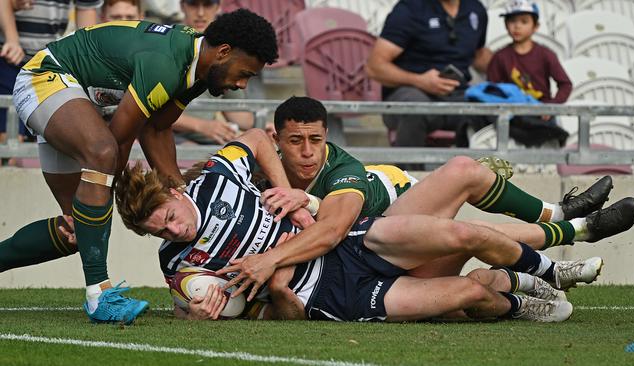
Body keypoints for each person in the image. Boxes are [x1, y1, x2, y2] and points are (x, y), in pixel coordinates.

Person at [114, 128, 606, 323]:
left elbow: (257, 139)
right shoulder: (178, 261)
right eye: (160, 232)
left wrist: (286, 194)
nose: (174, 231)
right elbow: (188, 309)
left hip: (352, 240)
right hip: (332, 295)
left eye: (170, 219)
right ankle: (520, 299)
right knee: (468, 294)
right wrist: (202, 313)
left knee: (466, 234)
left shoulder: (215, 179)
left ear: (176, 193)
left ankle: (552, 263)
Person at [0, 9, 278, 324]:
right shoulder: (166, 64)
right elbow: (117, 142)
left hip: (76, 100)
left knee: (78, 228)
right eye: (244, 73)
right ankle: (99, 296)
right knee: (101, 159)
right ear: (224, 52)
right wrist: (117, 197)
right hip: (47, 78)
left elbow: (156, 128)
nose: (241, 84)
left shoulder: (197, 71)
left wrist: (182, 191)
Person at [245, 96, 634, 287]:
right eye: (296, 141)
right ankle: (579, 227)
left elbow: (333, 229)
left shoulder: (342, 167)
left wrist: (309, 203)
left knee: (464, 172)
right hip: (373, 251)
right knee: (471, 238)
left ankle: (562, 217)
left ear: (327, 136)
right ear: (275, 138)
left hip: (395, 217)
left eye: (316, 139)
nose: (308, 151)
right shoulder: (260, 166)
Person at [365, 0, 492, 154]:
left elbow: (478, 56)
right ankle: (408, 176)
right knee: (415, 107)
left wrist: (516, 63)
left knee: (493, 109)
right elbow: (374, 67)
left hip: (458, 95)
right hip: (410, 92)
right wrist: (420, 81)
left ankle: (475, 174)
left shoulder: (476, 9)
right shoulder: (409, 9)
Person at [1, 0, 99, 151]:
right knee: (8, 137)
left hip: (49, 61)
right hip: (8, 57)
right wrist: (11, 39)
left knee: (51, 137)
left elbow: (86, 8)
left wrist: (85, 62)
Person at [172, 0, 255, 145]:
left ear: (218, 6)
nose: (200, 13)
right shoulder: (168, 44)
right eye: (193, 5)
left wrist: (262, 124)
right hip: (165, 135)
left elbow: (236, 112)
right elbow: (148, 111)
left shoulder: (227, 52)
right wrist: (201, 126)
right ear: (182, 5)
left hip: (209, 141)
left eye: (208, 5)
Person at [487, 0, 572, 106]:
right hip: (512, 116)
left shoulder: (546, 54)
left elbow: (565, 84)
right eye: (512, 21)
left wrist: (551, 107)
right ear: (505, 25)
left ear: (536, 26)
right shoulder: (500, 57)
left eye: (524, 21)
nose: (517, 26)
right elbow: (492, 89)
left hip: (542, 115)